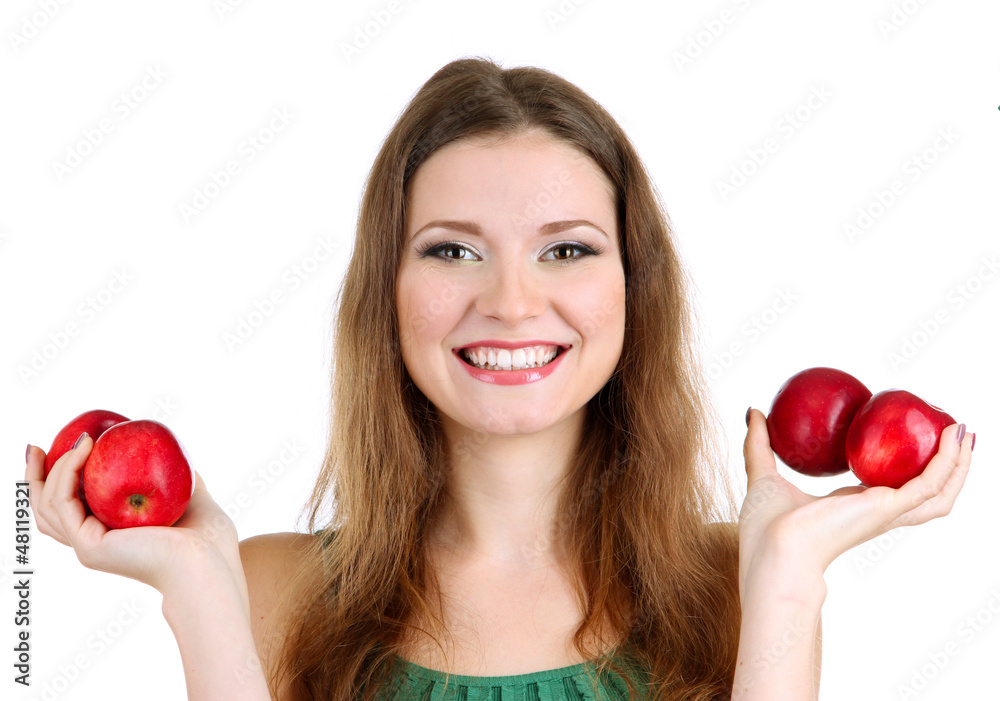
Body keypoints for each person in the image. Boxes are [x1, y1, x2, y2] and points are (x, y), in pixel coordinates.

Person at [25, 56, 974, 701]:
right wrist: (194, 588)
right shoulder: (265, 589)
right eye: (452, 251)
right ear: (386, 294)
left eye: (566, 248)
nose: (514, 302)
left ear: (634, 289)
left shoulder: (737, 586)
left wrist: (789, 589)